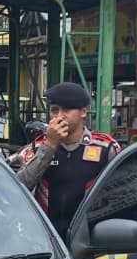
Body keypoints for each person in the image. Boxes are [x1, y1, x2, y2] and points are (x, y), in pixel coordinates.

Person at [15, 82, 120, 239]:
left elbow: (122, 192)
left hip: (90, 238)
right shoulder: (38, 146)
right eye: (54, 110)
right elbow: (19, 186)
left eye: (66, 110)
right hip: (46, 238)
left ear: (83, 111)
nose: (59, 116)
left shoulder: (105, 147)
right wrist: (50, 145)